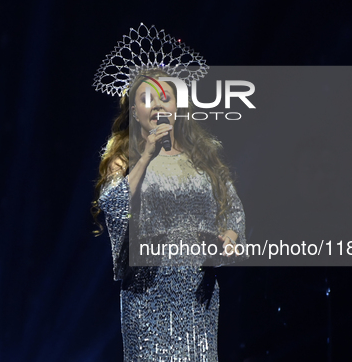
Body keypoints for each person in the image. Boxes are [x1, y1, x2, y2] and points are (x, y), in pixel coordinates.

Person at [91, 24, 248, 362]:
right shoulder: (125, 158)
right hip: (148, 300)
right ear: (134, 110)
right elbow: (115, 206)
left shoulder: (203, 158)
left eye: (166, 96)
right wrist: (145, 156)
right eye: (146, 98)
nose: (158, 104)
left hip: (198, 299)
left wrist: (231, 235)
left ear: (177, 106)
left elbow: (232, 209)